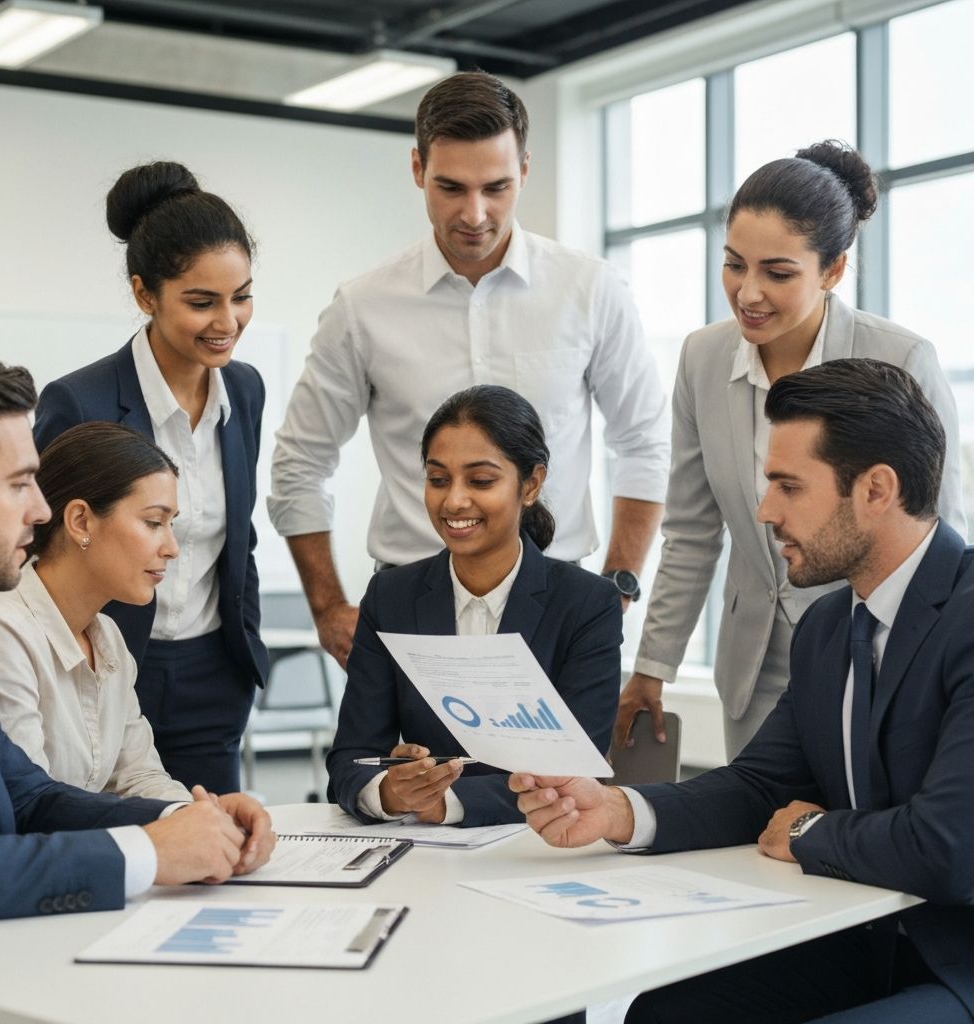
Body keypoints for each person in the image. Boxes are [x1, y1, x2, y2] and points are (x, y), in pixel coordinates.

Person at [512, 359, 974, 1023]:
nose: (764, 511)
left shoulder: (966, 616)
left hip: (958, 963)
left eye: (788, 486)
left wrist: (812, 831)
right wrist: (617, 810)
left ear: (876, 490)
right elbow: (760, 786)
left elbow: (949, 850)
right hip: (861, 942)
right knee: (661, 1015)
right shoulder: (825, 629)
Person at [269, 70, 669, 669]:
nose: (475, 214)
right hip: (411, 600)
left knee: (559, 770)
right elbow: (300, 464)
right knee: (403, 767)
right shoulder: (363, 306)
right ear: (416, 169)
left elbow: (644, 443)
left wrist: (620, 579)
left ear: (526, 170)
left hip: (558, 594)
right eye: (451, 187)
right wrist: (327, 606)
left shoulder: (590, 289)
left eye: (497, 187)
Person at [614, 140, 965, 760]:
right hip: (755, 665)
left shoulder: (900, 359)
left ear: (832, 270)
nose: (748, 293)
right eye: (733, 264)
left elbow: (943, 532)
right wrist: (653, 665)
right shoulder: (702, 358)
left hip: (875, 656)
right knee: (750, 833)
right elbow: (693, 531)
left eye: (777, 273)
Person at [0, 351, 274, 925]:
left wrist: (188, 817)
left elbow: (28, 796)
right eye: (19, 483)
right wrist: (150, 849)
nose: (39, 508)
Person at [33, 161, 267, 793]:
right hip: (106, 664)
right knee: (113, 844)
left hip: (215, 670)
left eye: (241, 295)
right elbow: (44, 551)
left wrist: (245, 647)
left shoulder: (243, 391)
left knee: (214, 849)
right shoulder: (80, 402)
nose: (228, 321)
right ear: (145, 294)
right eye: (201, 302)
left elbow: (237, 531)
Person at [326, 385, 621, 828]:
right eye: (438, 479)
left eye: (481, 481)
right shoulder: (391, 597)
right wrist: (390, 790)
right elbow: (352, 758)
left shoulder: (586, 604)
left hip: (541, 847)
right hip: (426, 858)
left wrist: (445, 801)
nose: (453, 501)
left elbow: (573, 771)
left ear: (531, 484)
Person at [0, 423, 191, 801]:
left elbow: (140, 777)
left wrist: (199, 819)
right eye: (153, 522)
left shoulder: (109, 639)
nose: (171, 547)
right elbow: (33, 808)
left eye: (171, 525)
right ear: (81, 521)